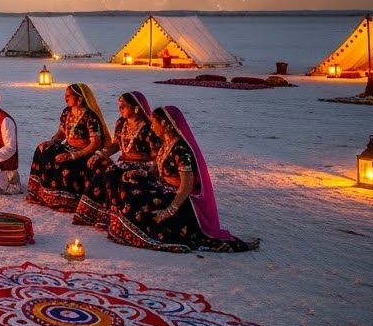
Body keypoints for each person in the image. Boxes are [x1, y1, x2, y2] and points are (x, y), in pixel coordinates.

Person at [106, 106, 259, 253]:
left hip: (178, 196)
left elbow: (187, 185)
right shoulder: (167, 144)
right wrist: (141, 171)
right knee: (128, 185)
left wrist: (169, 211)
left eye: (154, 123)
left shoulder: (181, 150)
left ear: (165, 124)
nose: (151, 126)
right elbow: (157, 168)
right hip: (162, 186)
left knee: (139, 199)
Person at [73, 91, 158, 229]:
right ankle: (94, 214)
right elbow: (117, 144)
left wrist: (144, 169)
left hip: (142, 166)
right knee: (99, 168)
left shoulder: (149, 128)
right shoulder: (121, 123)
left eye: (123, 106)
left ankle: (114, 219)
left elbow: (156, 155)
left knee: (111, 175)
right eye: (119, 106)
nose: (120, 109)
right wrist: (100, 154)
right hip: (123, 161)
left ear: (136, 108)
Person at [26, 83, 110, 212]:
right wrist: (51, 141)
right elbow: (61, 133)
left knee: (65, 165)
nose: (66, 98)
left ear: (80, 98)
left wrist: (73, 155)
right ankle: (41, 194)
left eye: (69, 95)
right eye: (65, 95)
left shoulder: (90, 116)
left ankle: (67, 201)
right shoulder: (67, 111)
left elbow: (95, 143)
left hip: (84, 152)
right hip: (67, 147)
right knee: (42, 151)